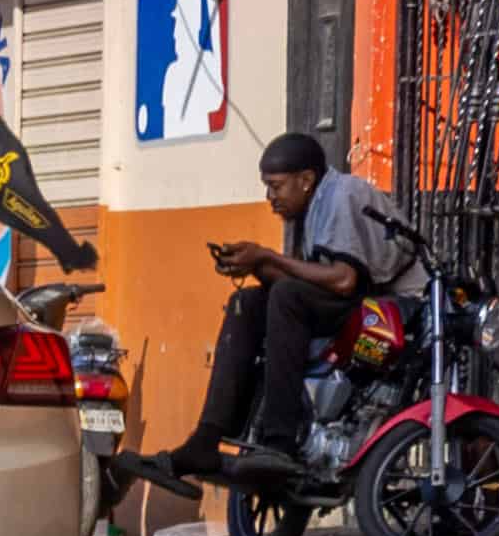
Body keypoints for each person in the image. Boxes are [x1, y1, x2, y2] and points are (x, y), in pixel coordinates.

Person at [162, 131, 427, 479]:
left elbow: (344, 280)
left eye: (276, 186)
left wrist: (268, 256)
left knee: (287, 296)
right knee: (247, 302)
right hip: (359, 304)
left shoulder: (342, 193)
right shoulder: (307, 208)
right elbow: (311, 278)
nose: (270, 197)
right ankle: (208, 438)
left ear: (305, 180)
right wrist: (254, 266)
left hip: (396, 310)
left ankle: (280, 441)